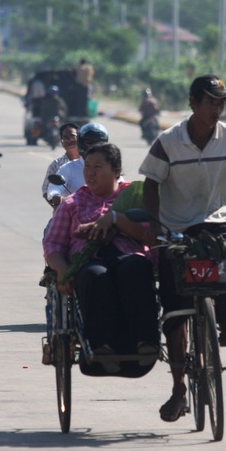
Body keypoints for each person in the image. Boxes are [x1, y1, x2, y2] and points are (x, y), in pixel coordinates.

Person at [139, 74, 226, 422]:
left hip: (216, 222)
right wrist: (155, 224)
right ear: (193, 103)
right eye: (210, 101)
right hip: (176, 227)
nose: (216, 109)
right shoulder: (168, 142)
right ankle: (179, 387)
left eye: (221, 103)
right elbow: (151, 184)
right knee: (175, 313)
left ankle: (225, 322)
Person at [43, 143, 158, 374]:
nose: (90, 172)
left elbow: (149, 236)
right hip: (90, 259)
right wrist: (63, 270)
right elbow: (53, 245)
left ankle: (145, 343)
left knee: (135, 268)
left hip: (128, 254)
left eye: (98, 167)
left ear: (116, 171)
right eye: (87, 167)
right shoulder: (72, 204)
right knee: (95, 276)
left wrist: (115, 219)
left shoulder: (134, 195)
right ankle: (101, 348)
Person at [46, 122, 109, 201]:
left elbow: (120, 186)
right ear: (81, 143)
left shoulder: (110, 168)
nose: (95, 147)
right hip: (75, 212)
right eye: (90, 143)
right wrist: (56, 196)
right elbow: (54, 189)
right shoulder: (68, 168)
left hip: (105, 211)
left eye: (99, 143)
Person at [42, 123, 80, 208]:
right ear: (61, 142)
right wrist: (56, 207)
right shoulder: (56, 164)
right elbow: (45, 190)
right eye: (66, 138)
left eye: (73, 136)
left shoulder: (89, 161)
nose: (70, 140)